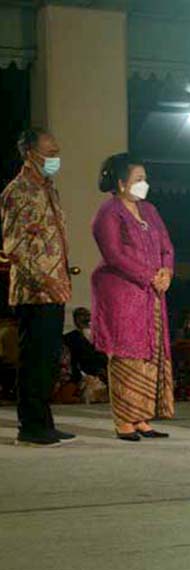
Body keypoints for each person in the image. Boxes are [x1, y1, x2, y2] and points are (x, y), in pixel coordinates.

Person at [91, 153, 175, 442]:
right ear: (121, 182)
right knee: (127, 354)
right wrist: (148, 275)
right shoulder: (109, 212)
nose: (144, 184)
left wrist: (166, 271)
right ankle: (124, 421)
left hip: (152, 294)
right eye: (139, 179)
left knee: (150, 354)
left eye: (145, 179)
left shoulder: (150, 210)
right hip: (122, 293)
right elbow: (113, 254)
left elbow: (167, 246)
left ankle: (142, 418)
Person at [1, 128, 75, 446]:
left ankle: (44, 421)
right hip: (34, 291)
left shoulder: (49, 189)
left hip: (55, 287)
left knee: (47, 360)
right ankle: (29, 426)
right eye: (50, 151)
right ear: (30, 152)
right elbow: (14, 246)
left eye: (57, 150)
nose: (55, 157)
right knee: (33, 360)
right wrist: (46, 280)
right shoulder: (17, 191)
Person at [63, 307, 108, 384]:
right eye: (81, 315)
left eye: (87, 314)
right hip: (81, 377)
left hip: (102, 374)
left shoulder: (99, 337)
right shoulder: (70, 337)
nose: (86, 317)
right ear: (75, 319)